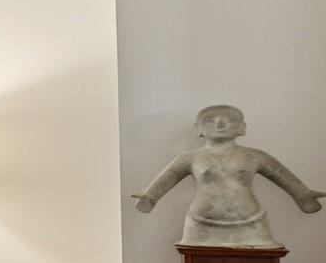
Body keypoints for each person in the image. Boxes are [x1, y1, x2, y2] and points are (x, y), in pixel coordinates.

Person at [131, 104, 324, 246]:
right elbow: (170, 176)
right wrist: (150, 197)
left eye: (229, 120)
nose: (220, 124)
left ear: (242, 127)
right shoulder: (190, 158)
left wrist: (302, 194)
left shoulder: (254, 156)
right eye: (210, 121)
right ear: (198, 129)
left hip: (251, 222)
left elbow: (281, 175)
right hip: (200, 224)